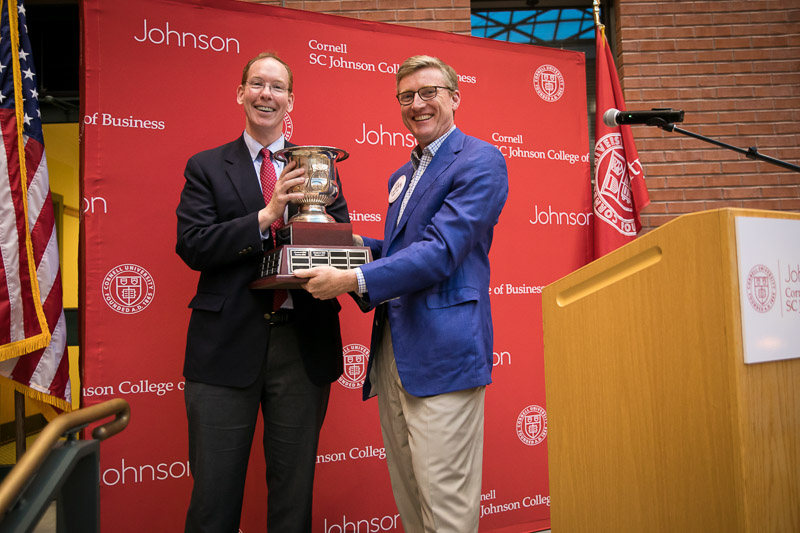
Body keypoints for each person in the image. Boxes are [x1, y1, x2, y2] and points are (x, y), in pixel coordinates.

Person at [295, 55, 509, 532]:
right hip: (394, 351)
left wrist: (350, 279)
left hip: (443, 355)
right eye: (407, 96)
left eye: (429, 92)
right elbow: (399, 251)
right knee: (413, 505)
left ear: (455, 97)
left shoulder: (480, 160)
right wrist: (349, 243)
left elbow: (440, 253)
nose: (418, 104)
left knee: (446, 511)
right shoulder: (402, 176)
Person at [176, 52, 348, 533]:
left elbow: (337, 234)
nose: (266, 94)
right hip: (224, 348)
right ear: (241, 94)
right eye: (257, 84)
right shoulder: (207, 167)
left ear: (291, 99)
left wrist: (333, 240)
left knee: (294, 501)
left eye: (276, 87)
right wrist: (266, 215)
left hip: (302, 344)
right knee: (213, 500)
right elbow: (192, 245)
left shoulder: (319, 164)